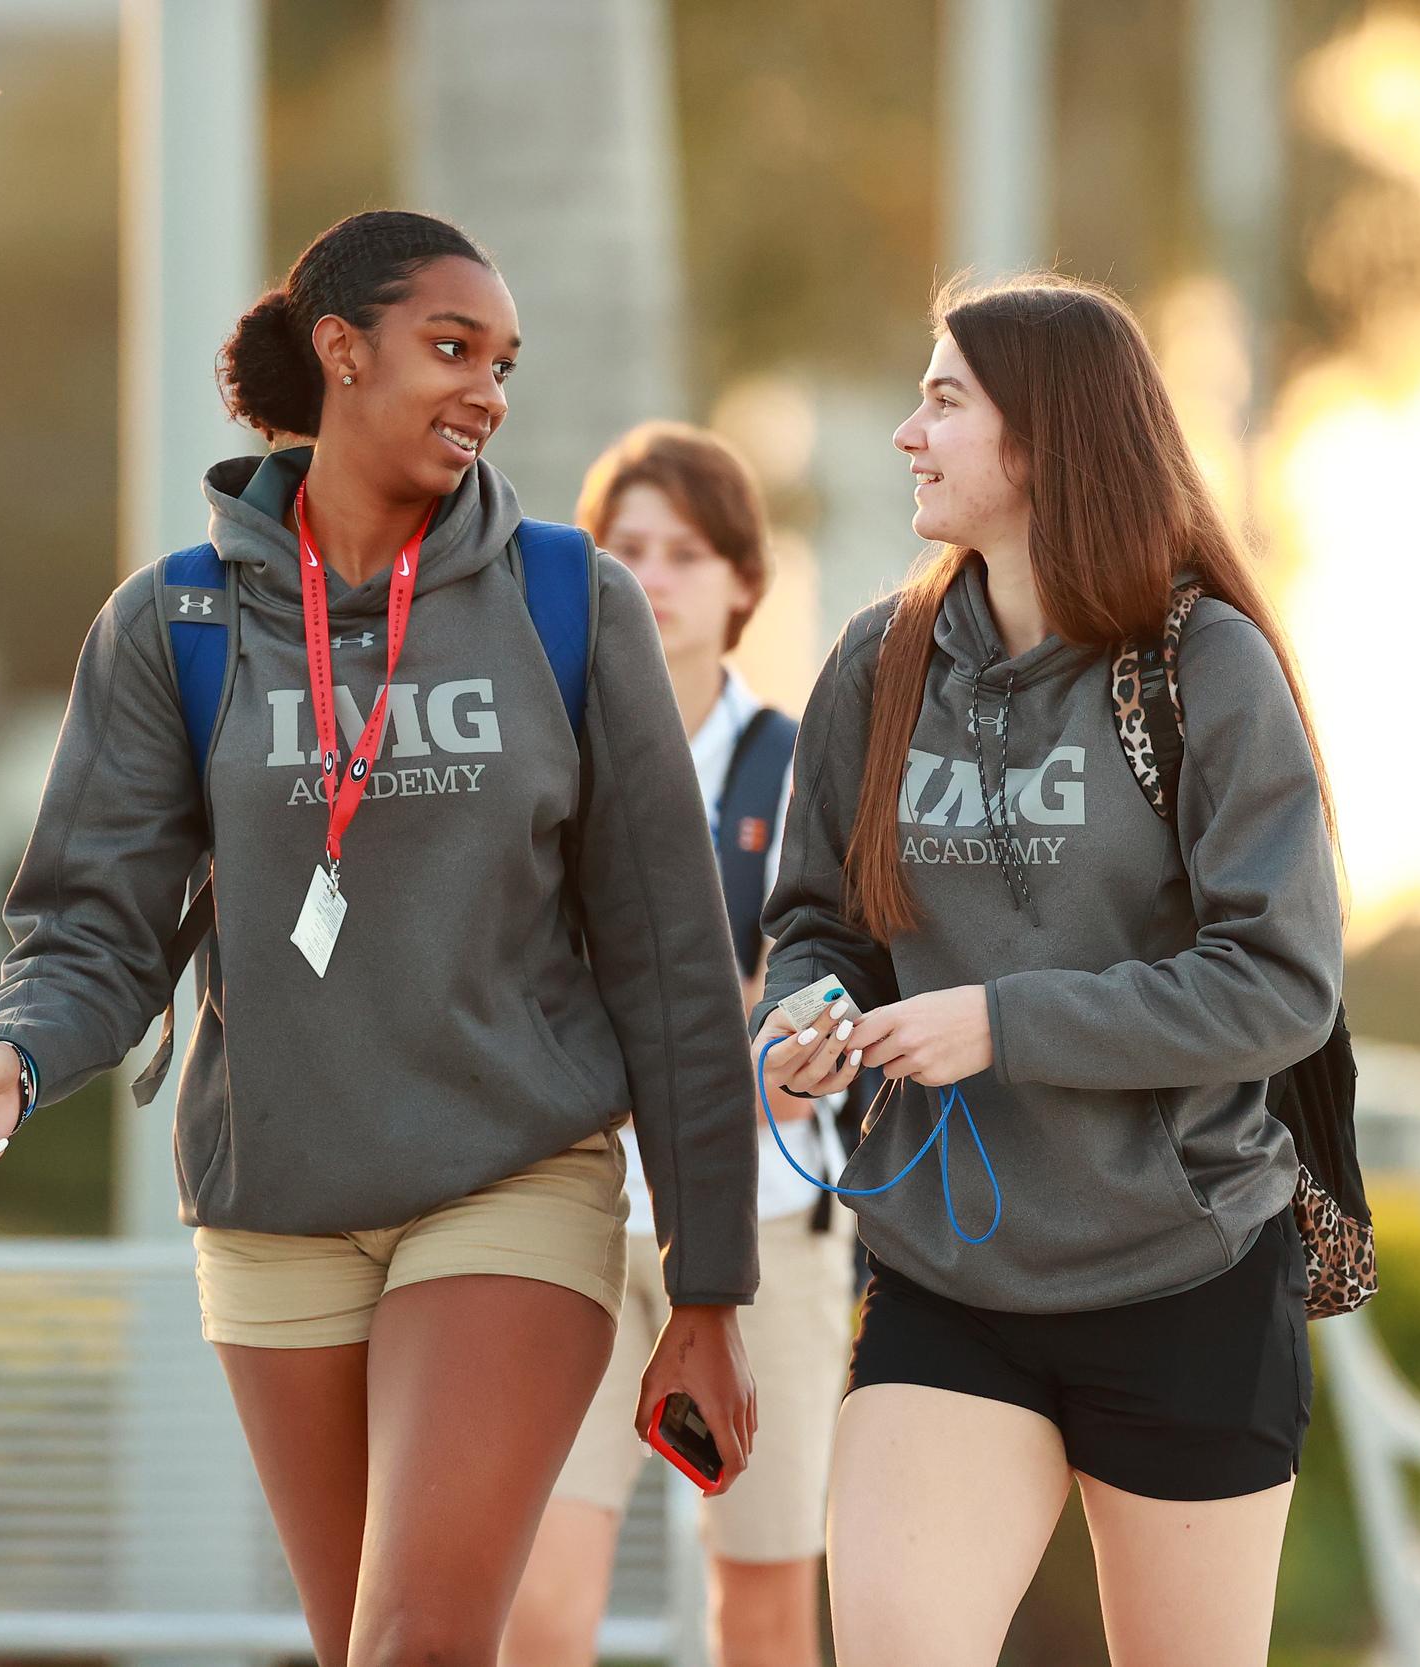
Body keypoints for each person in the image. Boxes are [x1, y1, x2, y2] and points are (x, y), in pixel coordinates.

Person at [0, 211, 760, 1667]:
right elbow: (93, 925)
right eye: (450, 347)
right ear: (340, 350)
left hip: (511, 1176)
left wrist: (710, 1281)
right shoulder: (172, 619)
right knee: (366, 1639)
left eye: (502, 362)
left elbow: (671, 955)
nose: (486, 390)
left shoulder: (569, 601)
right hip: (276, 1208)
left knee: (416, 1640)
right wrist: (14, 1051)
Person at [751, 276, 1344, 1667]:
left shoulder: (1206, 667)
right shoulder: (880, 661)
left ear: (1046, 441)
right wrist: (809, 1010)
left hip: (1183, 1273)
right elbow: (818, 919)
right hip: (952, 1280)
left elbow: (1277, 983)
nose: (909, 432)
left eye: (945, 399)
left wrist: (1001, 1024)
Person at [506, 423, 851, 1667]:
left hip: (766, 1229)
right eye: (625, 548)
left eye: (685, 551)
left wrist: (774, 1024)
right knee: (541, 1608)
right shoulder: (539, 750)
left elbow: (835, 979)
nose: (651, 576)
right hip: (575, 1218)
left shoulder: (800, 759)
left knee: (760, 1610)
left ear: (744, 580)